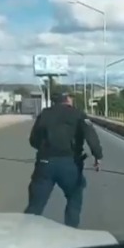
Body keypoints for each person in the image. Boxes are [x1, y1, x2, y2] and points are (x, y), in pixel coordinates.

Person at [25, 90, 103, 228]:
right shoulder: (78, 114)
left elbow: (33, 140)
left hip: (45, 163)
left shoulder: (45, 114)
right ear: (67, 99)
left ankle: (24, 234)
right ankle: (70, 232)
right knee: (74, 198)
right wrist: (98, 156)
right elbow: (91, 136)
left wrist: (44, 149)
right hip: (70, 163)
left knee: (35, 205)